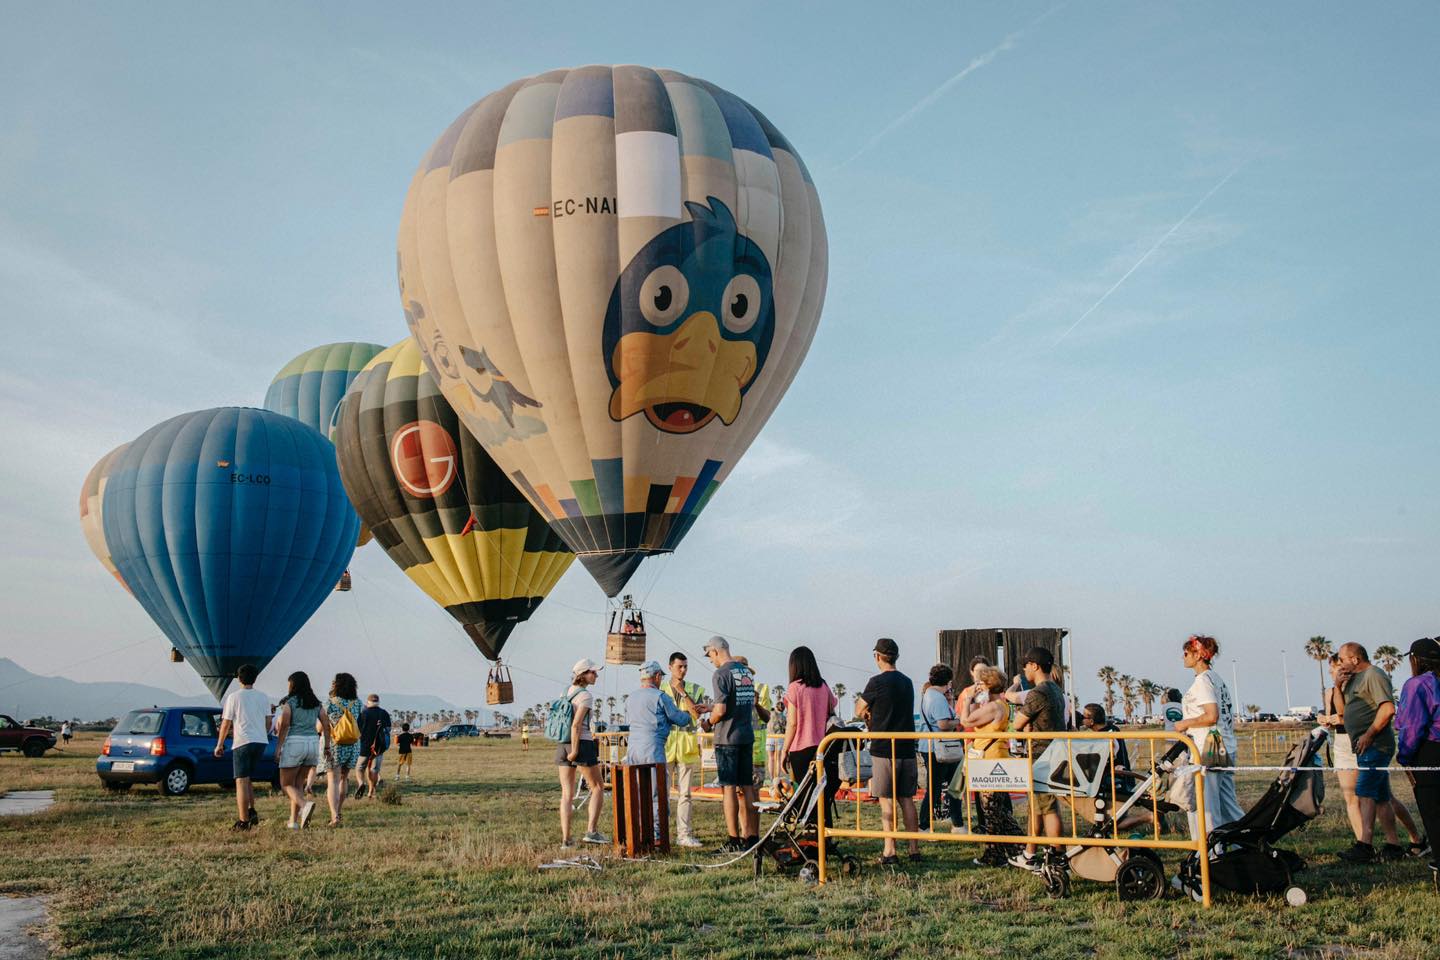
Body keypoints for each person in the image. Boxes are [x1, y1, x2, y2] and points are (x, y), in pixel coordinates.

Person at [1335, 643, 1405, 862]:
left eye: (1342, 659)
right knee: (1382, 797)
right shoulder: (1352, 680)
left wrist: (1369, 734)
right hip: (1362, 745)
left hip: (1375, 745)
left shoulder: (1374, 675)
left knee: (1364, 791)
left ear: (1355, 659)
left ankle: (1365, 844)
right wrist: (1337, 686)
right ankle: (1393, 845)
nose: (1340, 664)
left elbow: (1387, 708)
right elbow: (1341, 711)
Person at [855, 637, 919, 864]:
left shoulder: (875, 682)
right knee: (907, 800)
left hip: (883, 748)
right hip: (906, 747)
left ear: (878, 657)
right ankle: (914, 849)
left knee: (886, 800)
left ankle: (890, 850)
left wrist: (868, 714)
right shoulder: (908, 682)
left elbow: (859, 708)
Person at [1172, 635, 1244, 838]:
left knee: (1207, 807)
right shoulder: (1216, 679)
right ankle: (1245, 843)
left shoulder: (1202, 682)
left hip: (1209, 749)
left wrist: (1184, 724)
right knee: (1228, 805)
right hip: (1225, 746)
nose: (1183, 657)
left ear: (1197, 655)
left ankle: (1210, 855)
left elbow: (1212, 715)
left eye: (1186, 653)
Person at [1008, 647, 1068, 871]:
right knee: (1040, 807)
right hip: (1054, 753)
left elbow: (1017, 724)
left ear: (1034, 665)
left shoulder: (1038, 693)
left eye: (1026, 666)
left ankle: (1058, 856)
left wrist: (1024, 724)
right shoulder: (1056, 690)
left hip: (1042, 756)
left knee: (1049, 809)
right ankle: (1031, 854)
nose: (1024, 670)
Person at [625, 660, 695, 840]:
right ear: (656, 676)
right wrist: (690, 714)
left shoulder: (631, 697)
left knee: (638, 791)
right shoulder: (660, 696)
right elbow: (678, 718)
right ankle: (656, 834)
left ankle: (639, 830)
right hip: (653, 749)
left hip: (633, 750)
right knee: (657, 792)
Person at [703, 636, 760, 852]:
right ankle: (752, 837)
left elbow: (722, 710)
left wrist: (708, 722)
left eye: (710, 656)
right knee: (747, 788)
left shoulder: (720, 674)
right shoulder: (745, 672)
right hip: (746, 736)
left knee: (728, 788)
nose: (711, 660)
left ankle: (733, 839)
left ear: (716, 651)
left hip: (727, 738)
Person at [959, 665, 1020, 865]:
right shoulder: (1001, 704)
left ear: (988, 685)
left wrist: (968, 700)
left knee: (991, 809)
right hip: (996, 755)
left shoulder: (993, 706)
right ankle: (1017, 845)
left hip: (989, 759)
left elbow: (966, 720)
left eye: (980, 684)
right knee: (998, 808)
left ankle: (996, 853)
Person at [780, 645, 839, 828]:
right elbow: (831, 711)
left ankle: (809, 838)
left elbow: (793, 723)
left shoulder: (794, 688)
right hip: (823, 747)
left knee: (806, 797)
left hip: (800, 749)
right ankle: (825, 838)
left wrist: (784, 750)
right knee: (822, 794)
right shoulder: (823, 686)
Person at [1397, 637, 1440, 888]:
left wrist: (1405, 757)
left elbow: (1413, 726)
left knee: (1434, 813)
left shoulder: (1418, 685)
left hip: (1430, 751)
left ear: (1416, 660)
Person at [213, 663, 270, 831]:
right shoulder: (263, 697)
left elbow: (226, 723)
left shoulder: (234, 697)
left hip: (242, 741)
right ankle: (251, 811)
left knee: (240, 781)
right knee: (247, 778)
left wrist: (220, 744)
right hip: (260, 742)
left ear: (238, 678)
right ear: (255, 678)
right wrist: (262, 734)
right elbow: (268, 721)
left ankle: (243, 821)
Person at [557, 659, 607, 847]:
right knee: (597, 787)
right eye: (593, 672)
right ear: (583, 674)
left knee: (566, 794)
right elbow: (577, 725)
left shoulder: (564, 692)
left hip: (562, 744)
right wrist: (576, 750)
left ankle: (566, 840)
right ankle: (591, 831)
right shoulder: (585, 696)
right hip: (581, 744)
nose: (596, 675)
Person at [662, 651, 709, 849]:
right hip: (665, 746)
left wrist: (683, 692)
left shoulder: (695, 689)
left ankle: (684, 834)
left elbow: (695, 714)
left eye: (685, 666)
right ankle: (661, 833)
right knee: (661, 792)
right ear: (670, 667)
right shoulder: (660, 689)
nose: (683, 670)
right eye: (679, 666)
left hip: (687, 747)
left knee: (686, 794)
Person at [275, 671, 333, 830]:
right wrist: (327, 746)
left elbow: (285, 725)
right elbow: (326, 725)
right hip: (313, 743)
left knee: (286, 784)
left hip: (295, 742)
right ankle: (294, 822)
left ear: (293, 685)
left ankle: (304, 805)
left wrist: (279, 747)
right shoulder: (316, 703)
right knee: (298, 784)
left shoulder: (290, 703)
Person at [916, 664, 959, 831]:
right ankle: (927, 824)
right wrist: (958, 722)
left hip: (931, 747)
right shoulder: (937, 698)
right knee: (949, 787)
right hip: (938, 748)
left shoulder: (928, 695)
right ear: (948, 682)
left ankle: (929, 824)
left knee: (936, 788)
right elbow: (943, 723)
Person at [322, 673, 362, 826]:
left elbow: (321, 725)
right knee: (344, 779)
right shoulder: (357, 703)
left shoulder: (330, 703)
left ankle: (334, 816)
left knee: (333, 780)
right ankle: (339, 811)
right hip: (353, 745)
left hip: (335, 745)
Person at [356, 694, 392, 801]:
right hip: (379, 747)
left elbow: (357, 730)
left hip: (365, 745)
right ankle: (371, 791)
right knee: (374, 770)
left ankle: (361, 783)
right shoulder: (384, 713)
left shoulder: (363, 713)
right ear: (378, 702)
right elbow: (388, 729)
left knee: (360, 767)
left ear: (368, 702)